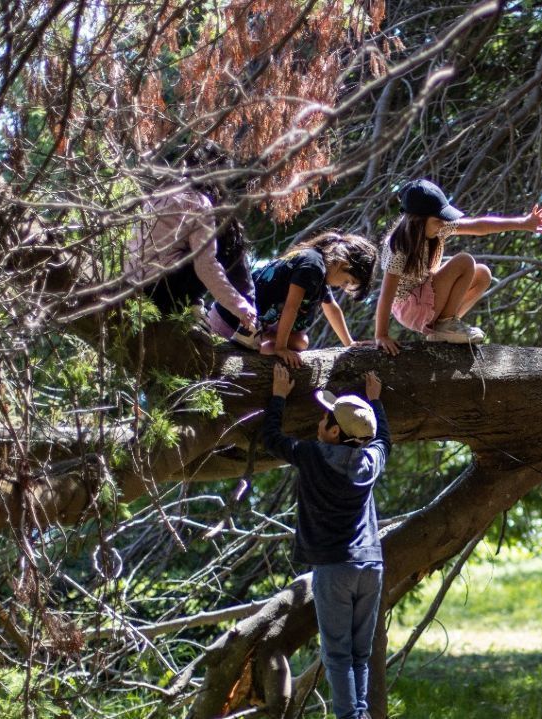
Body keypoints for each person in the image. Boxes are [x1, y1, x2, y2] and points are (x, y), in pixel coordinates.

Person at [263, 364, 390, 719]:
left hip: (334, 569)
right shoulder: (370, 461)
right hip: (371, 566)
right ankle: (359, 714)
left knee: (337, 653)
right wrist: (376, 404)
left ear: (334, 432)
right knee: (359, 653)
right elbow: (384, 442)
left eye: (326, 418)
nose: (320, 421)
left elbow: (272, 439)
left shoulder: (312, 455)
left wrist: (277, 397)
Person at [372, 179, 542, 354]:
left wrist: (523, 223)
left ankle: (445, 327)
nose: (442, 225)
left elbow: (478, 226)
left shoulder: (437, 228)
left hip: (424, 299)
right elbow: (386, 295)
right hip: (410, 309)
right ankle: (446, 325)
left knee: (482, 274)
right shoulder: (399, 246)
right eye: (438, 221)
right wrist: (381, 335)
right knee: (464, 261)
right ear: (417, 220)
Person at [211, 232, 377, 367]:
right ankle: (260, 345)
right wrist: (281, 348)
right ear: (342, 263)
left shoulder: (319, 268)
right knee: (296, 342)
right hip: (231, 322)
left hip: (244, 326)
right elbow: (291, 307)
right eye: (347, 281)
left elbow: (332, 308)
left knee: (301, 341)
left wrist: (349, 343)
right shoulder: (312, 267)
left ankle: (260, 342)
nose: (343, 285)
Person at [129, 182, 259, 348]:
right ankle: (248, 328)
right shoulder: (199, 203)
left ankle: (197, 307)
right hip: (162, 291)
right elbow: (206, 267)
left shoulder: (156, 195)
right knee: (227, 237)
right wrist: (243, 309)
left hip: (134, 284)